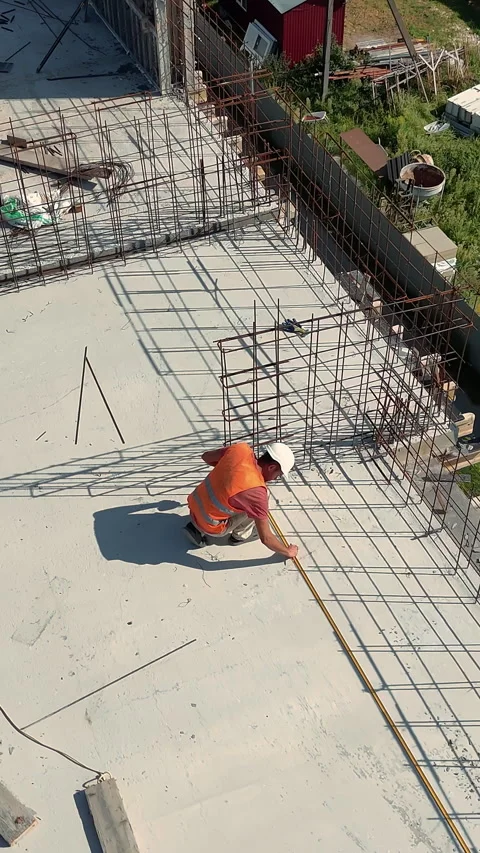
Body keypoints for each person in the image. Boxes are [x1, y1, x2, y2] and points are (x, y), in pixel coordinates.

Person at [184, 441, 298, 560]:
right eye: (278, 475)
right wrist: (288, 551)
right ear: (271, 467)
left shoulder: (240, 449)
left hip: (193, 504)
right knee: (260, 500)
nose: (275, 479)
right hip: (211, 526)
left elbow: (206, 456)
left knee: (229, 497)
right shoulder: (257, 493)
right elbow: (266, 538)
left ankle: (196, 528)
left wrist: (228, 470)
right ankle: (239, 536)